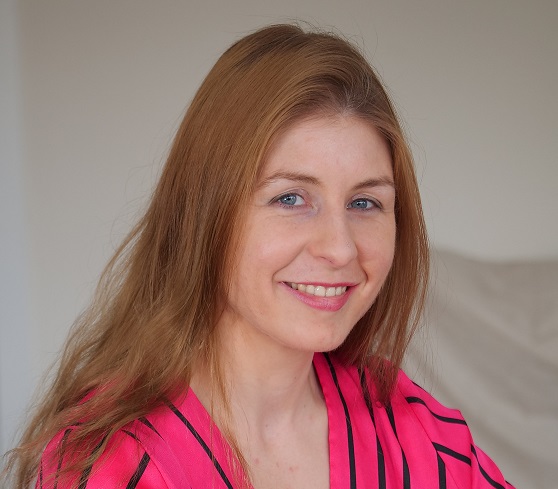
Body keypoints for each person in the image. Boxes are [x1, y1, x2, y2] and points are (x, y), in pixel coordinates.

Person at [3, 24, 515, 489]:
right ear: (206, 213)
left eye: (365, 203)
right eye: (290, 198)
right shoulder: (110, 464)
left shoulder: (419, 433)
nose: (340, 248)